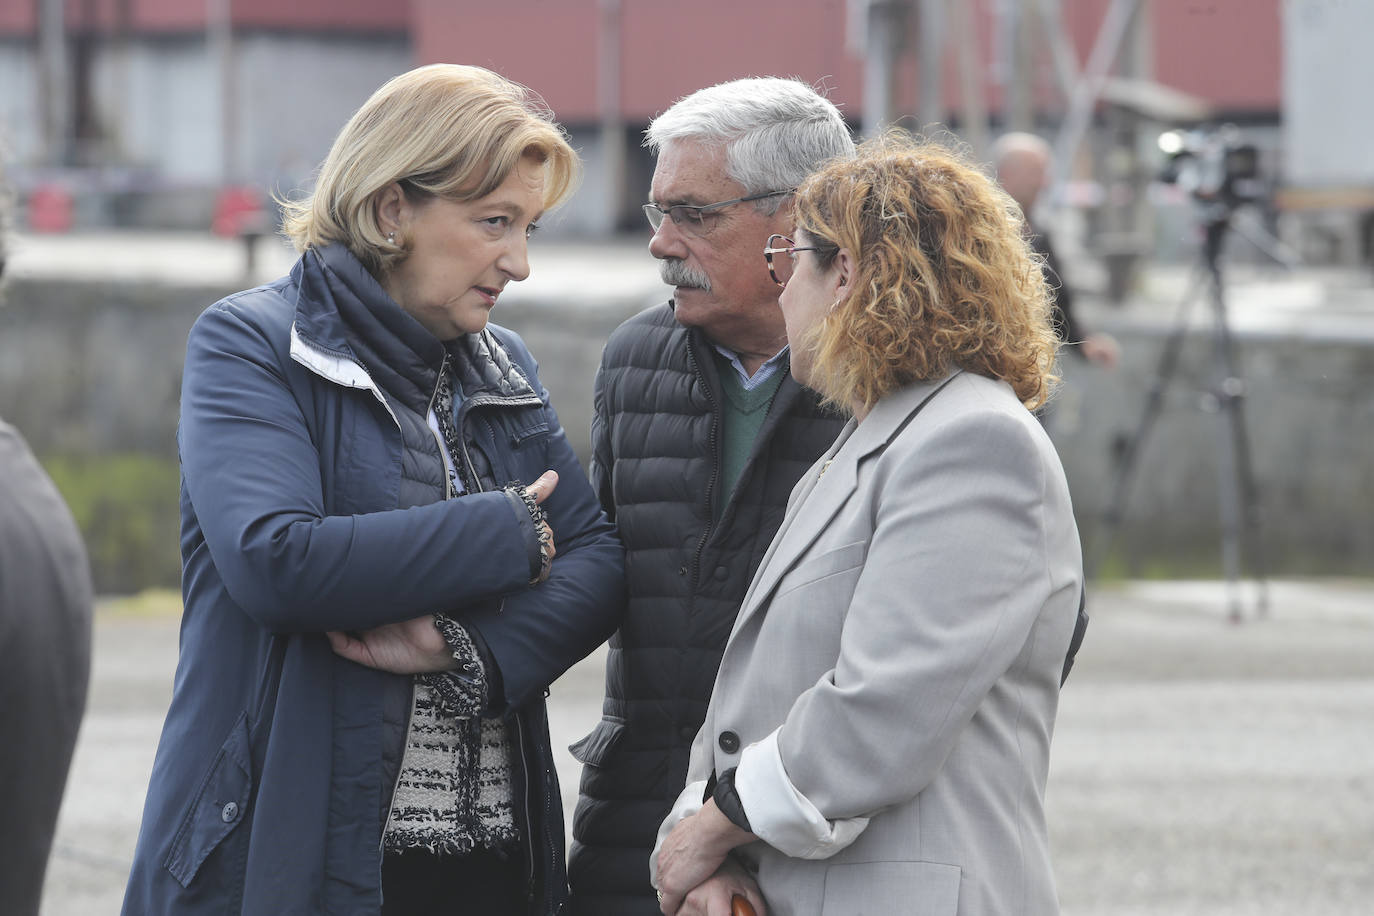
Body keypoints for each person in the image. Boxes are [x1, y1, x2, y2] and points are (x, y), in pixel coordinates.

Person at [121, 64, 624, 916]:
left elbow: (599, 562)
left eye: (529, 226)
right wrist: (509, 536)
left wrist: (465, 649)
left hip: (494, 867)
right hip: (295, 861)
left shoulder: (502, 365)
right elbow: (278, 561)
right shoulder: (249, 346)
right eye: (495, 222)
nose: (521, 263)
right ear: (393, 210)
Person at [651, 133, 1084, 915]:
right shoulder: (881, 437)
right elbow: (763, 701)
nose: (781, 289)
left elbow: (884, 707)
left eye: (792, 259)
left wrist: (713, 825)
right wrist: (719, 853)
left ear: (844, 273)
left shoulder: (972, 443)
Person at [567, 78, 853, 915]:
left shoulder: (913, 379)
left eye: (694, 215)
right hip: (639, 836)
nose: (661, 244)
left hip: (826, 844)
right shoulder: (634, 359)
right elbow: (604, 576)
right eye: (659, 213)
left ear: (800, 219)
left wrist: (738, 817)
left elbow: (987, 637)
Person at [993, 131, 1120, 369]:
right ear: (1007, 175)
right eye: (1036, 173)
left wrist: (1083, 342)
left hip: (1027, 365)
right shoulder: (980, 231)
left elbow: (1056, 297)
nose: (1044, 183)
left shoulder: (1039, 232)